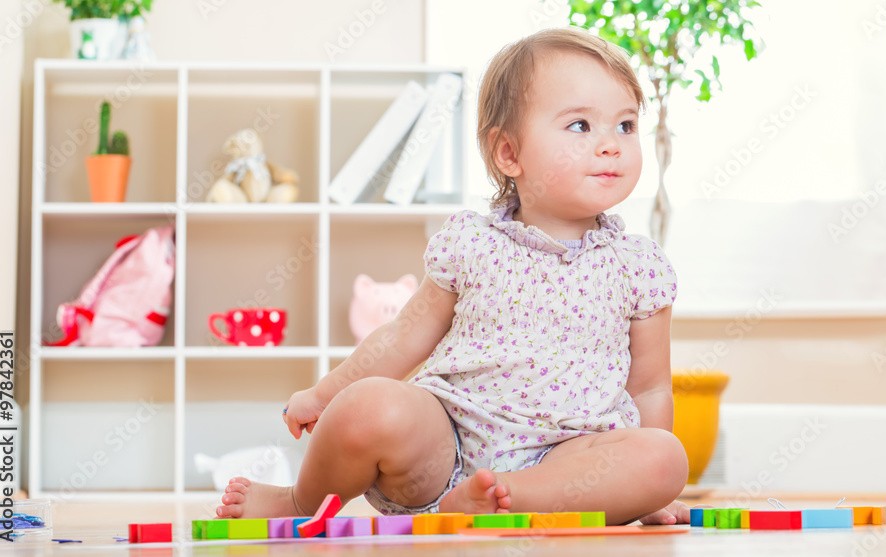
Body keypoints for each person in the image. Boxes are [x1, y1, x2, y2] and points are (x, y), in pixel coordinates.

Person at [216, 26, 689, 526]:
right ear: (509, 153)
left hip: (569, 459)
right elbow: (402, 338)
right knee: (368, 404)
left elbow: (650, 390)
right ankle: (298, 502)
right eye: (579, 126)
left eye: (626, 126)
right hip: (446, 444)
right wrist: (324, 394)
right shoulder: (471, 244)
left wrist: (649, 495)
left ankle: (506, 498)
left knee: (663, 457)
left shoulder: (639, 267)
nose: (611, 145)